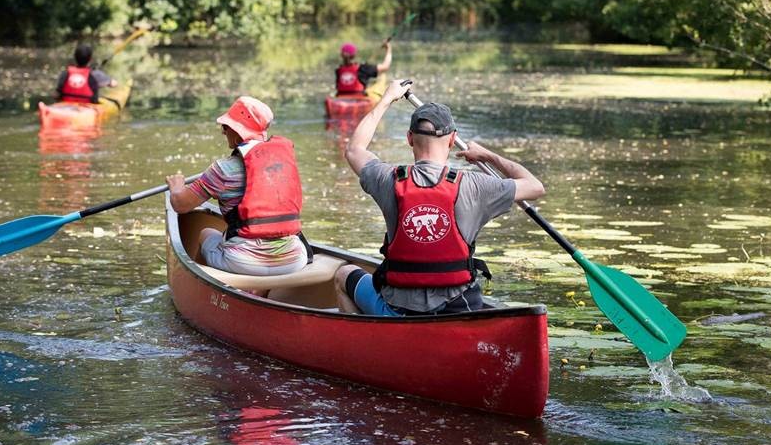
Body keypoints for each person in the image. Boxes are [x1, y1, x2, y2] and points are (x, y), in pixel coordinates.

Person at [335, 81, 545, 315]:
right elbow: (535, 187)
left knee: (344, 275)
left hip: (399, 312)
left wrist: (387, 99)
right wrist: (488, 156)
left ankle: (367, 342)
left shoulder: (388, 180)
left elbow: (354, 150)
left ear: (409, 138)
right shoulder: (475, 185)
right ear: (452, 139)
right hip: (459, 311)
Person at [166, 96, 309, 280]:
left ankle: (198, 286)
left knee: (206, 233)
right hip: (294, 259)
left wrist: (177, 187)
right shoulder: (283, 163)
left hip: (244, 261)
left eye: (225, 127)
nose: (223, 132)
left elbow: (181, 205)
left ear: (236, 130)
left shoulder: (222, 169)